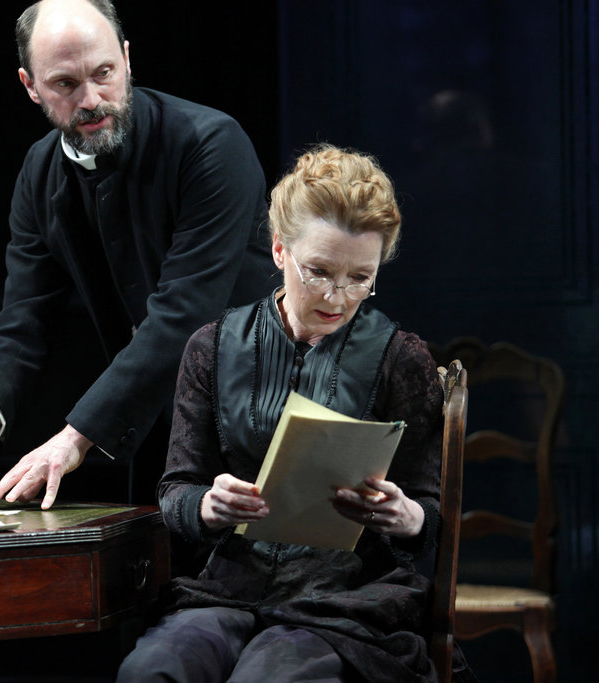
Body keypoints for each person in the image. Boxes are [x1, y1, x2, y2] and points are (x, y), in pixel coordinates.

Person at [117, 145, 476, 682]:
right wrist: (209, 505)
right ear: (280, 251)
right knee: (152, 670)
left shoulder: (400, 359)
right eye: (319, 272)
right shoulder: (212, 348)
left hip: (347, 598)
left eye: (361, 277)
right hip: (230, 588)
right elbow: (176, 490)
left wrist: (408, 517)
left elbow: (428, 512)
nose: (338, 297)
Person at [0, 0, 273, 509]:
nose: (91, 99)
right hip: (157, 428)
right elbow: (23, 319)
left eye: (104, 73)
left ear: (127, 58)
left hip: (257, 414)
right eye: (65, 84)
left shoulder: (210, 144)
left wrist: (74, 439)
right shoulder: (39, 172)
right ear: (30, 85)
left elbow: (184, 314)